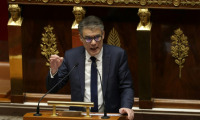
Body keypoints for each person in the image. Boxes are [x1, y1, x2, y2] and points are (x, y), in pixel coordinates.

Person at [46, 15, 134, 120]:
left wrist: (126, 106)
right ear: (80, 38)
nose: (93, 43)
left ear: (103, 35)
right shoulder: (71, 56)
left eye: (97, 37)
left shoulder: (118, 55)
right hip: (80, 117)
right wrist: (54, 71)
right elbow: (52, 89)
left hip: (109, 116)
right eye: (88, 38)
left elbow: (126, 86)